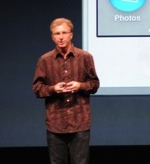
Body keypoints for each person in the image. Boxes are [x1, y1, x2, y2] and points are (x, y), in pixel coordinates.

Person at [32, 17, 100, 164]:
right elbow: (37, 89)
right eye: (57, 34)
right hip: (55, 122)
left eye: (64, 33)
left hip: (79, 121)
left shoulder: (85, 57)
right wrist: (53, 89)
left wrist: (80, 86)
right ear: (52, 37)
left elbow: (94, 84)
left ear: (71, 35)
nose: (61, 37)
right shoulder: (45, 60)